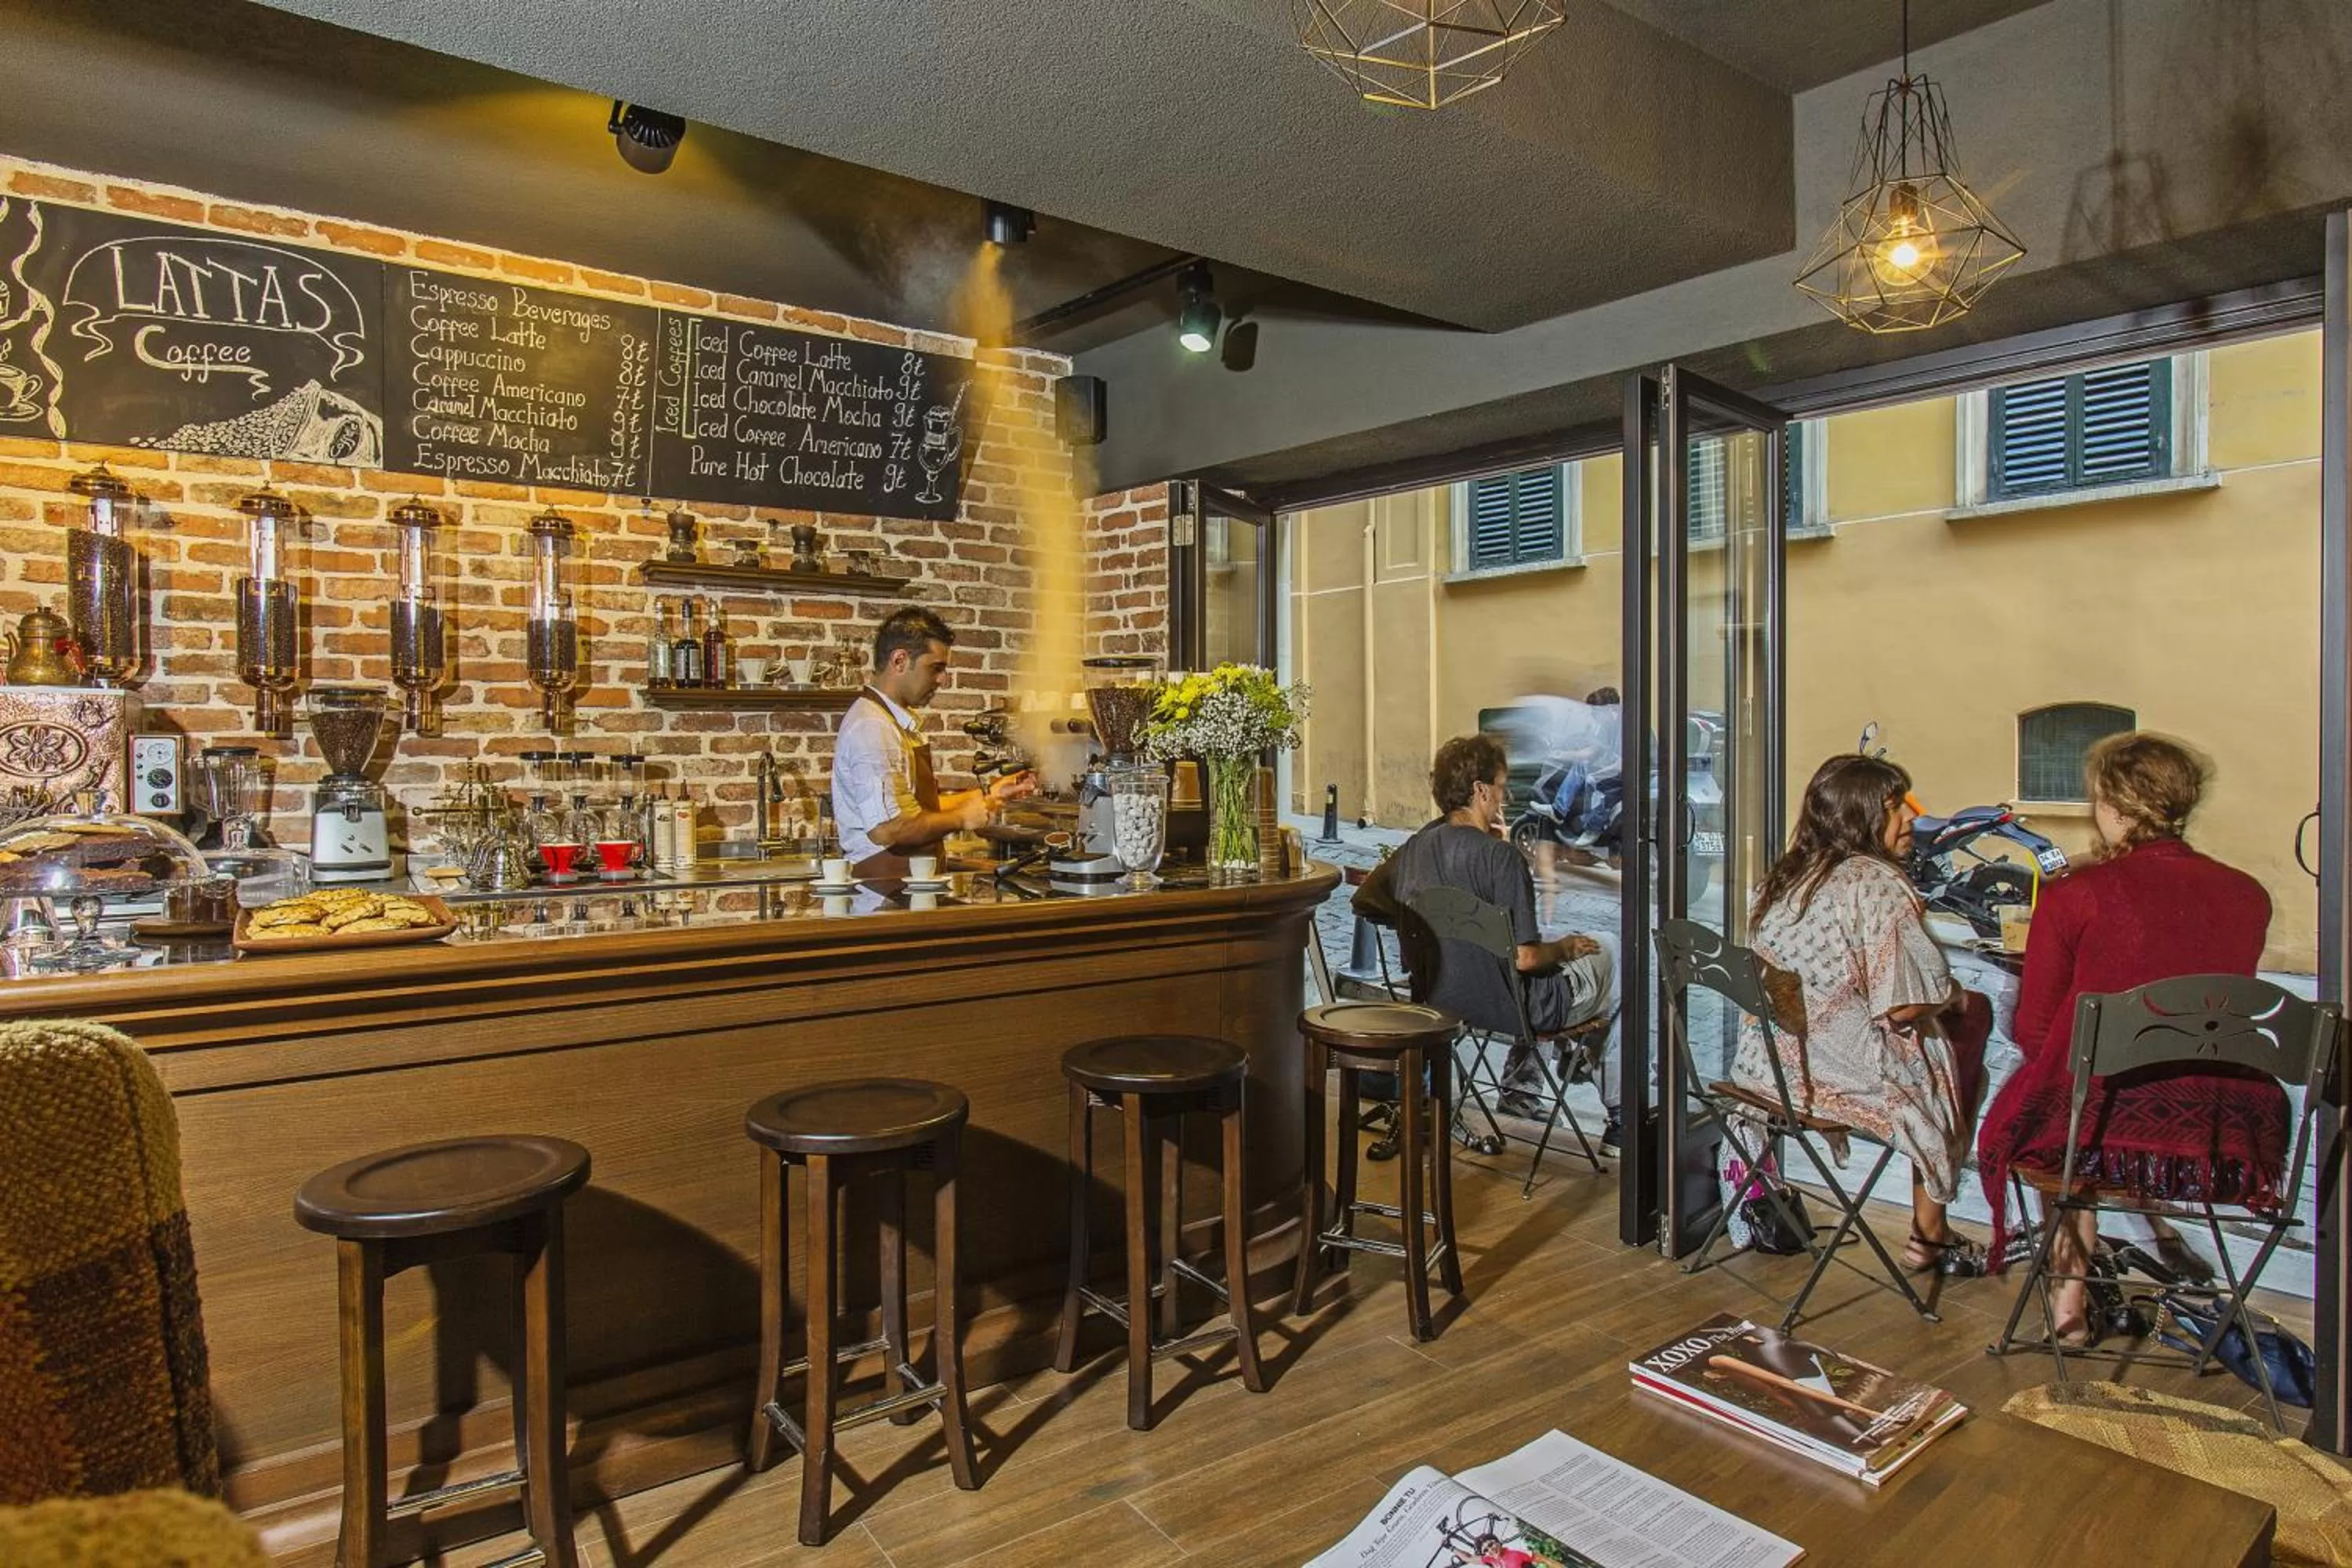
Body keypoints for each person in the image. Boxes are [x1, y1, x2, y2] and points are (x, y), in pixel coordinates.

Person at [1976, 732, 2288, 1345]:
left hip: (2099, 1124)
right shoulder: (2248, 895)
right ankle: (2164, 1252)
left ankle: (2068, 1309)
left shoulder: (2077, 895)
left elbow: (2036, 1031)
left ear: (2113, 806)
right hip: (2223, 1125)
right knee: (2076, 1096)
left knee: (2055, 1109)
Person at [1735, 753, 1992, 1276]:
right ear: (1865, 815)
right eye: (1897, 807)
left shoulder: (1784, 879)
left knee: (1961, 1042)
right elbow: (1902, 1005)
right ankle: (1929, 1235)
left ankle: (1931, 1233)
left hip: (1770, 1065)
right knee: (1969, 1045)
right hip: (1838, 1073)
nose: (1912, 819)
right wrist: (1951, 997)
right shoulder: (1875, 883)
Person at [1381, 734, 1617, 1145]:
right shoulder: (1500, 859)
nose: (1504, 798)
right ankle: (1621, 1114)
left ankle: (1535, 1080)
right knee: (1615, 953)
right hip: (1515, 1008)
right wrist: (1564, 948)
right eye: (1502, 788)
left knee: (1573, 957)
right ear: (1481, 790)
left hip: (1444, 999)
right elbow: (1525, 958)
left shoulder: (1415, 850)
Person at [829, 607, 1033, 877]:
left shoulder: (891, 722)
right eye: (936, 668)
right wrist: (961, 818)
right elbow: (889, 828)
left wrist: (988, 796)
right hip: (883, 895)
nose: (942, 679)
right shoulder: (872, 727)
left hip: (905, 887)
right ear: (899, 660)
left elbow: (915, 810)